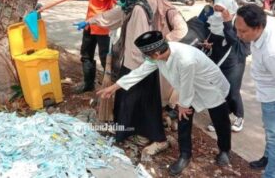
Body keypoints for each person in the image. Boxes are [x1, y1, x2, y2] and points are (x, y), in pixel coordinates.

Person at [97, 31, 232, 176]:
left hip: (209, 86)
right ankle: (185, 155)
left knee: (220, 119)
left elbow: (187, 86)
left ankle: (224, 150)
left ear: (156, 54)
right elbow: (140, 72)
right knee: (183, 120)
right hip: (188, 87)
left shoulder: (185, 60)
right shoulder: (159, 55)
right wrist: (114, 87)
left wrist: (183, 105)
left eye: (148, 56)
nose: (147, 59)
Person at [75, 0, 169, 155]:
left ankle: (153, 136)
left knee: (143, 104)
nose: (118, 0)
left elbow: (141, 42)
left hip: (139, 65)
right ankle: (129, 131)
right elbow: (111, 16)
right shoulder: (130, 6)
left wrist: (135, 68)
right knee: (127, 101)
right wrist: (89, 21)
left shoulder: (139, 10)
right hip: (130, 62)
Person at [133, 0, 188, 110]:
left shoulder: (169, 11)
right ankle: (161, 105)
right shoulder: (146, 9)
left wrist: (165, 41)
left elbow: (182, 29)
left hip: (168, 50)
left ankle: (171, 106)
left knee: (169, 81)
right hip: (156, 52)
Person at [235, 4, 275, 177]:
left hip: (272, 95)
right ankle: (267, 158)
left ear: (258, 27)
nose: (238, 35)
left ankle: (270, 173)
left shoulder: (271, 52)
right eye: (237, 29)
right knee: (269, 130)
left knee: (273, 137)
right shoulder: (266, 25)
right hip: (265, 88)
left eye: (243, 31)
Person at [200, 0, 249, 132]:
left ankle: (239, 116)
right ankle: (220, 118)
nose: (217, 13)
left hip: (235, 61)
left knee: (233, 90)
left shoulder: (237, 22)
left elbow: (235, 41)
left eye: (221, 10)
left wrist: (227, 23)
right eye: (215, 9)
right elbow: (215, 38)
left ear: (229, 9)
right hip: (218, 58)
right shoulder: (214, 20)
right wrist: (209, 44)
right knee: (218, 89)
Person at [71, 0, 116, 94]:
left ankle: (111, 88)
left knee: (105, 59)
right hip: (89, 23)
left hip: (103, 26)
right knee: (86, 55)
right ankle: (88, 84)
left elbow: (117, 7)